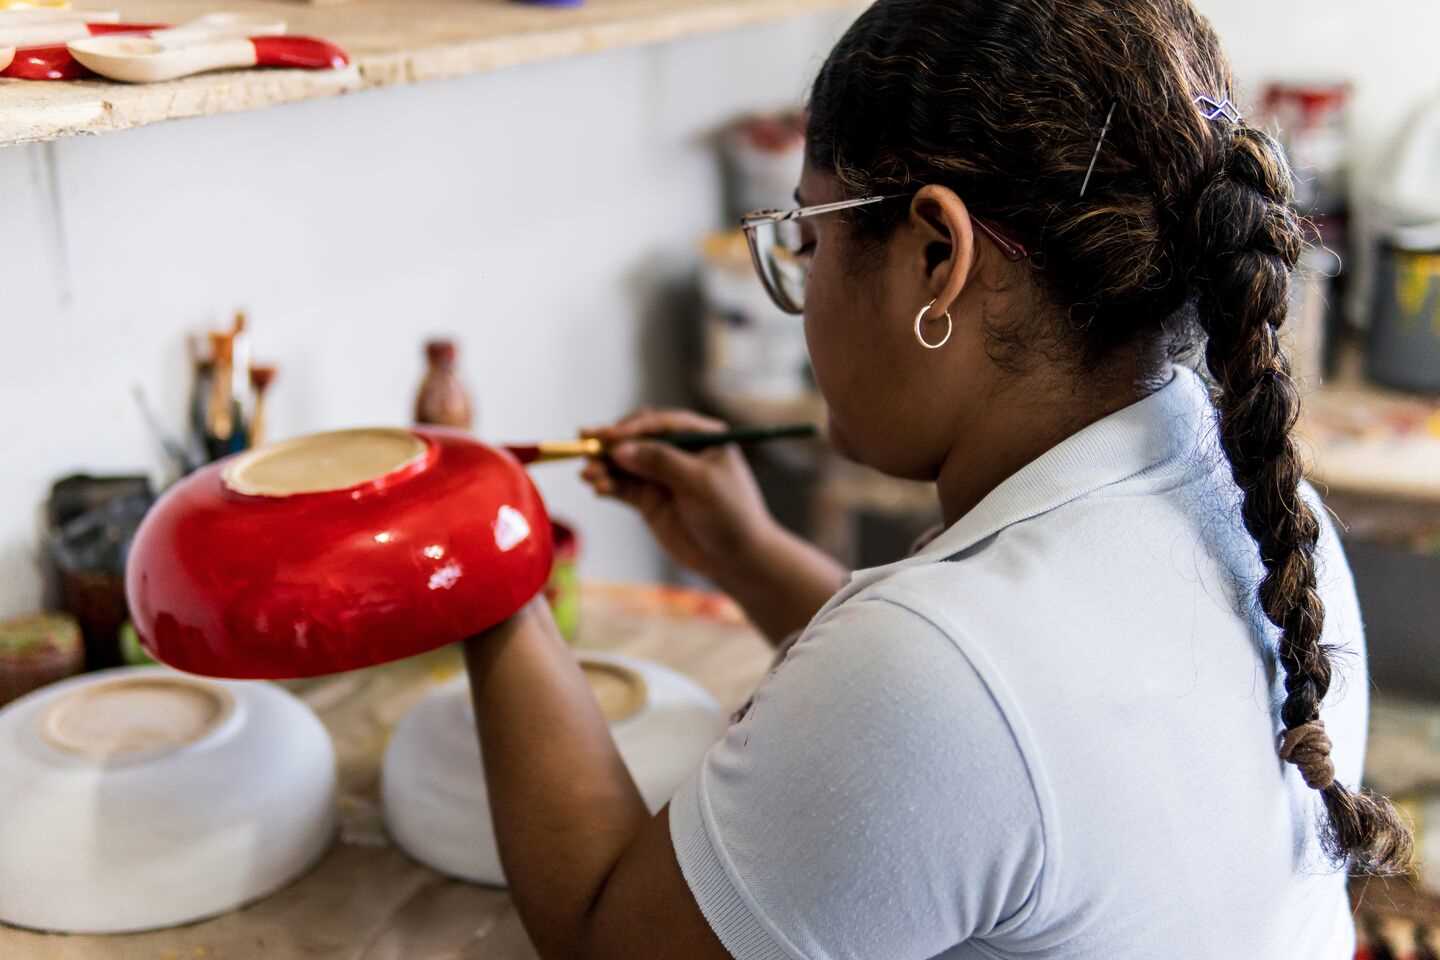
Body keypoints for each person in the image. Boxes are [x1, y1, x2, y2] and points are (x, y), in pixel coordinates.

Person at [460, 1, 1412, 956]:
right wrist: (747, 555)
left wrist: (488, 566)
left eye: (806, 241)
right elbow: (988, 732)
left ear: (936, 256)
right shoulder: (1271, 515)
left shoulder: (937, 679)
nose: (801, 290)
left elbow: (605, 939)